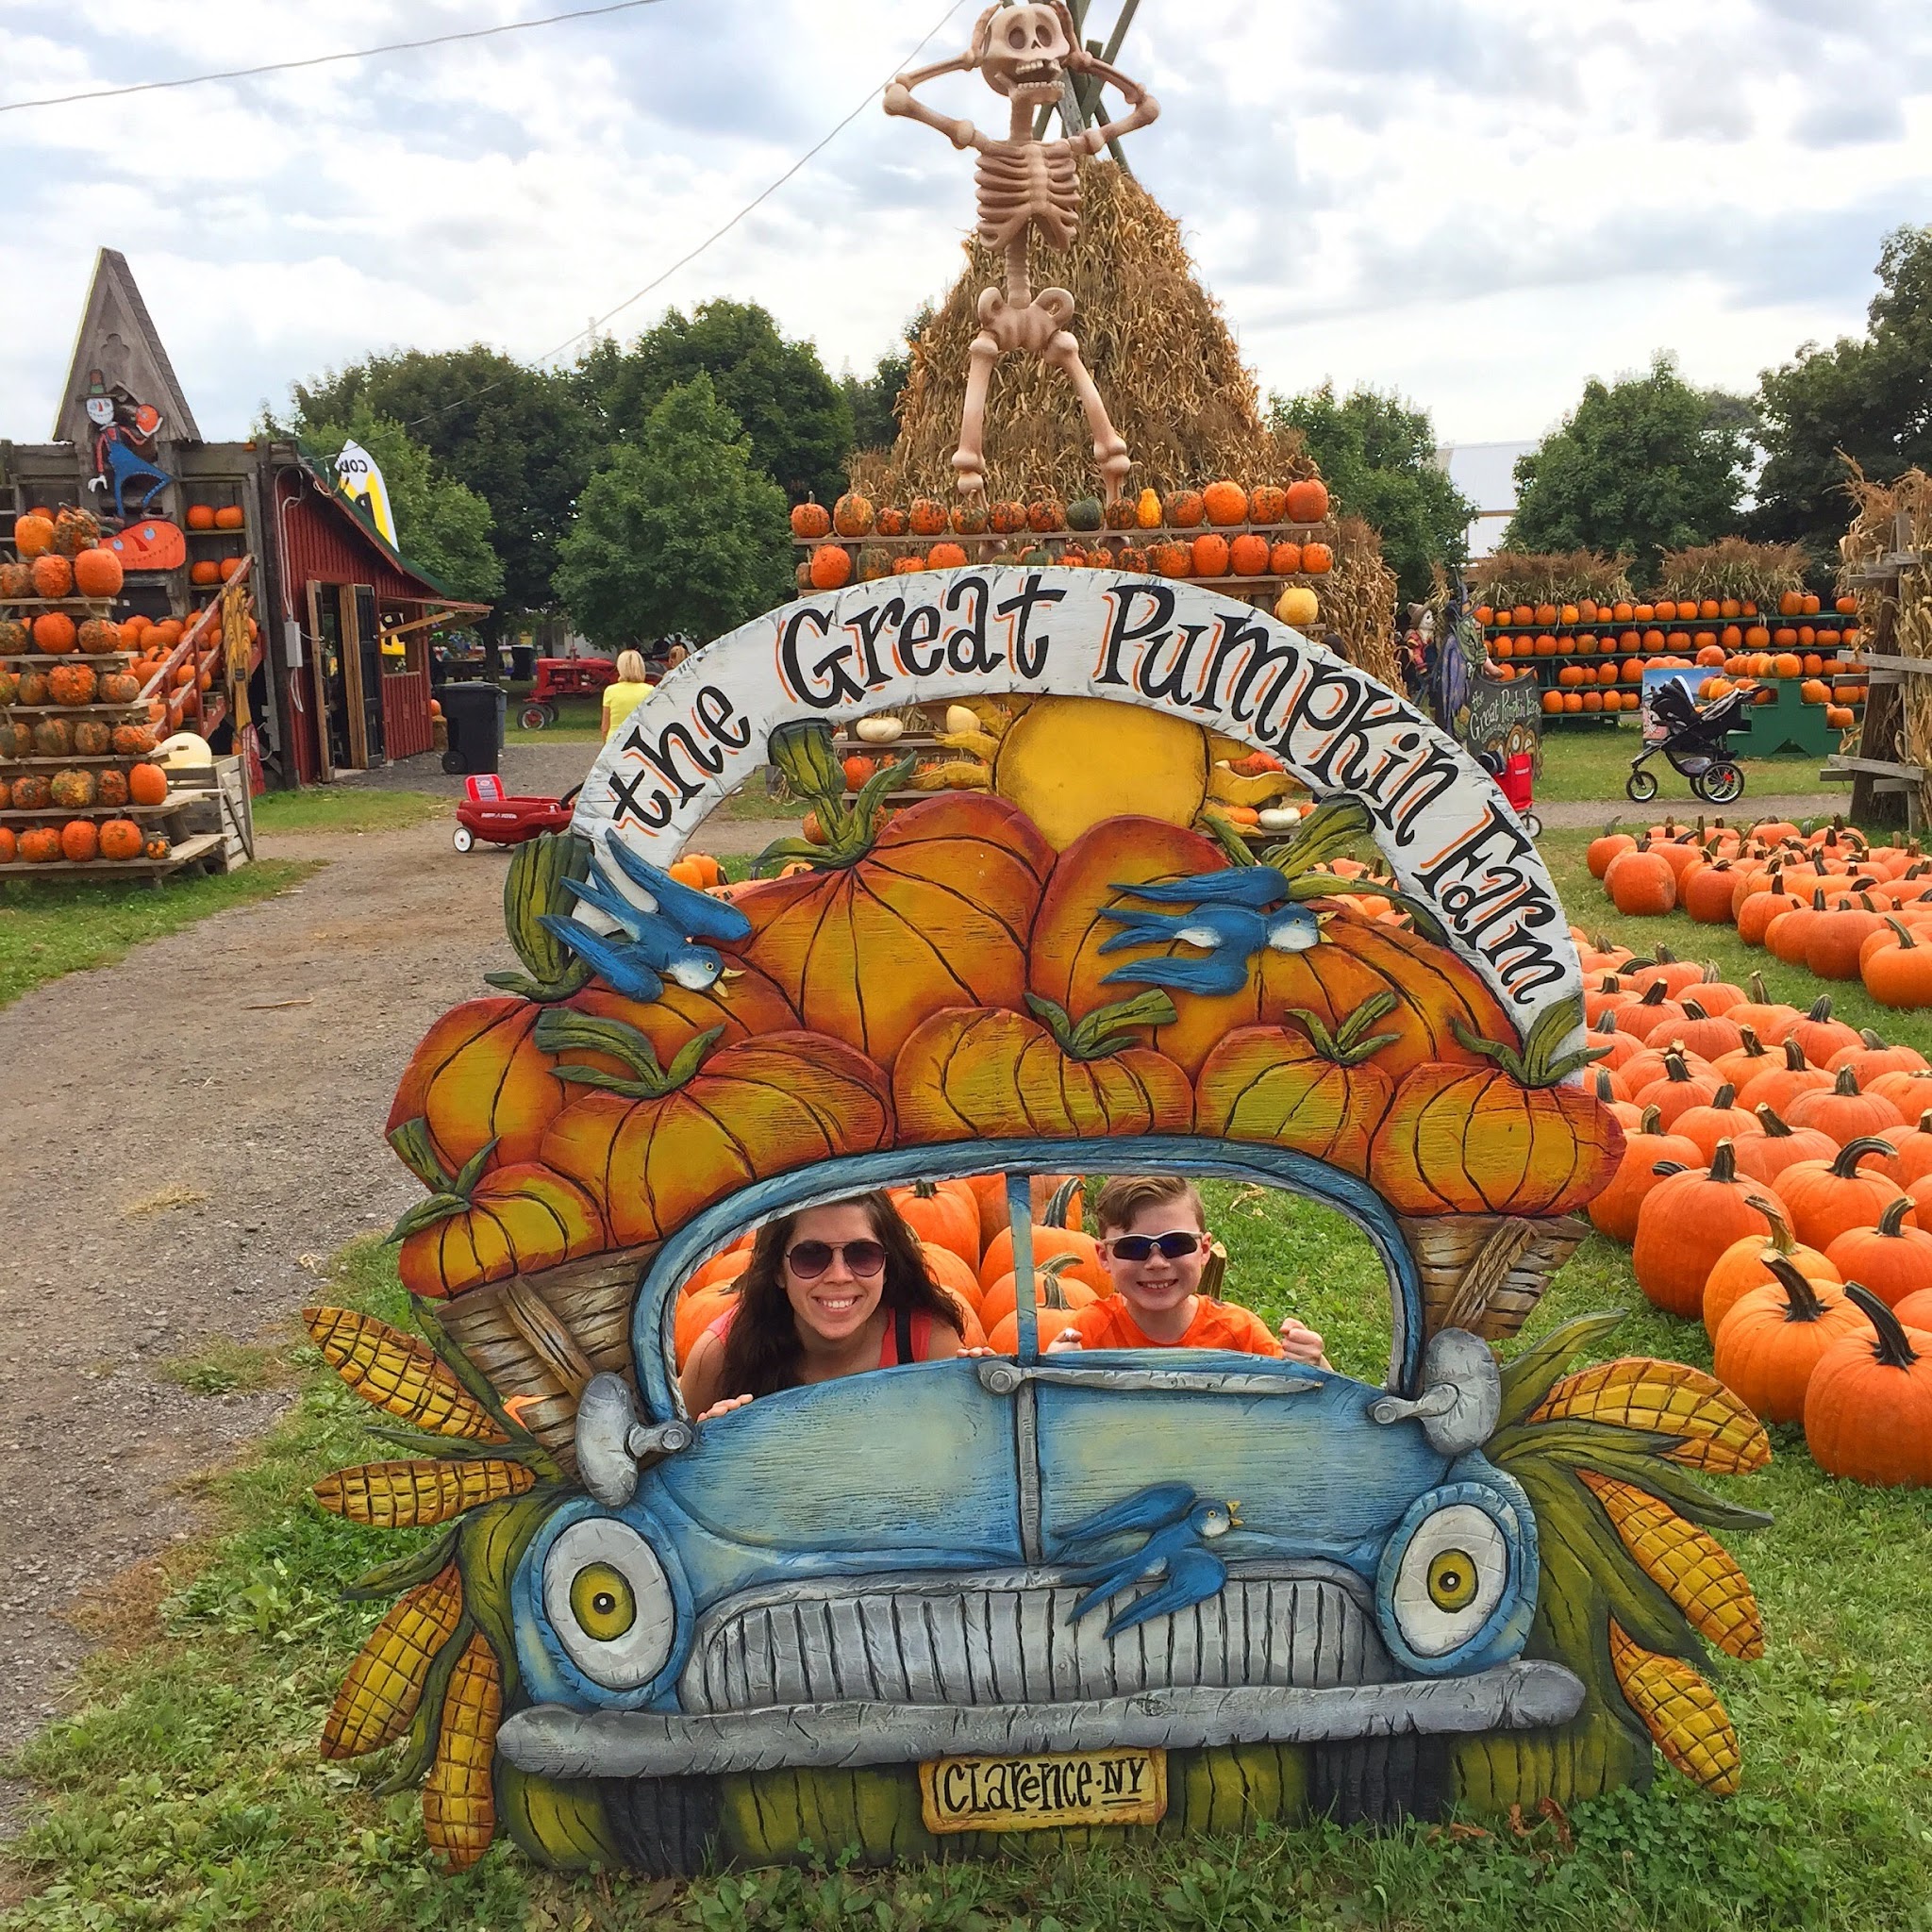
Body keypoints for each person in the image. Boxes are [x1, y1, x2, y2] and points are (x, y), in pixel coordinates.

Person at [681, 1194, 980, 1421]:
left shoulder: (925, 1344)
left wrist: (985, 1411)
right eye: (811, 1256)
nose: (839, 1275)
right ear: (778, 1271)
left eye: (862, 1255)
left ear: (887, 1267)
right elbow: (667, 1469)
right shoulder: (720, 1357)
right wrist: (710, 1452)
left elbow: (968, 1466)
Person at [1048, 1174, 1329, 1364]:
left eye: (1176, 1244)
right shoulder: (1089, 1334)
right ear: (1104, 1256)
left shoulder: (1239, 1333)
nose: (1157, 1263)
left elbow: (1309, 1403)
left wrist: (1313, 1364)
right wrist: (1054, 1370)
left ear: (1204, 1249)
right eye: (1133, 1247)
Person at [600, 648, 654, 740]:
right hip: (642, 738)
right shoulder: (650, 690)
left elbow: (605, 727)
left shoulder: (610, 691)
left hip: (616, 739)